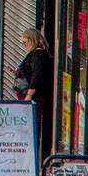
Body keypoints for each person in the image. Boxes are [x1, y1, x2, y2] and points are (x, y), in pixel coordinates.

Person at [15, 27, 54, 163]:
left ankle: (31, 158)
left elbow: (37, 76)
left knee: (32, 127)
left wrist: (29, 96)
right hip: (32, 96)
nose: (23, 45)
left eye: (24, 42)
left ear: (32, 40)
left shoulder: (38, 55)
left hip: (34, 98)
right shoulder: (38, 55)